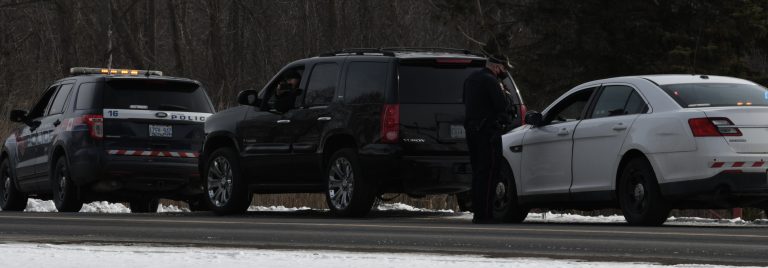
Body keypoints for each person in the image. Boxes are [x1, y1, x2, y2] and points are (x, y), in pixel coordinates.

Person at [463, 54, 512, 224]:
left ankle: (478, 212)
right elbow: (502, 105)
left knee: (478, 172)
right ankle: (485, 214)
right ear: (497, 67)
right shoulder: (492, 81)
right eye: (504, 69)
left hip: (471, 131)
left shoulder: (470, 79)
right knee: (490, 172)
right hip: (488, 132)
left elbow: (465, 102)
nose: (504, 72)